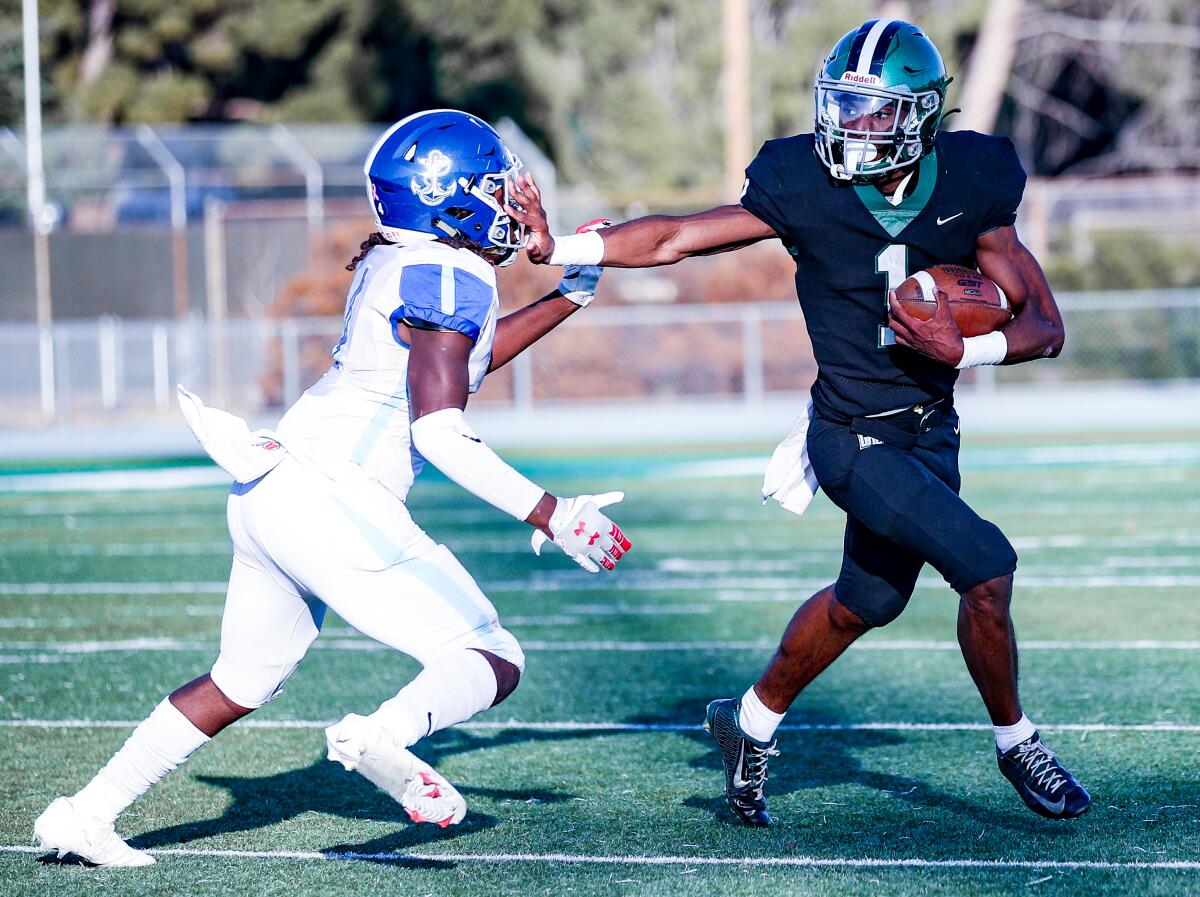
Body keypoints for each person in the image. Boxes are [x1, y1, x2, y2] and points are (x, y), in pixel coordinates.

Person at [510, 19, 1089, 826]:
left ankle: (747, 723)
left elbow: (1046, 327)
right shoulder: (804, 180)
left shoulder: (973, 180)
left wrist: (968, 350)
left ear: (921, 117)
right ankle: (1017, 741)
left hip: (931, 428)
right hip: (851, 434)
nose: (850, 128)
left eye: (872, 112)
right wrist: (561, 246)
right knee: (987, 567)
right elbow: (677, 235)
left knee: (867, 601)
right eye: (842, 106)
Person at [33, 109, 632, 867]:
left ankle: (83, 814)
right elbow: (441, 430)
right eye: (494, 187)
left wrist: (568, 297)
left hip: (271, 486)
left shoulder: (411, 260)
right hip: (331, 494)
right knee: (490, 650)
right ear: (449, 198)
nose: (510, 201)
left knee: (241, 679)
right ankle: (381, 732)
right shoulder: (449, 273)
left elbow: (463, 361)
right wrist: (552, 512)